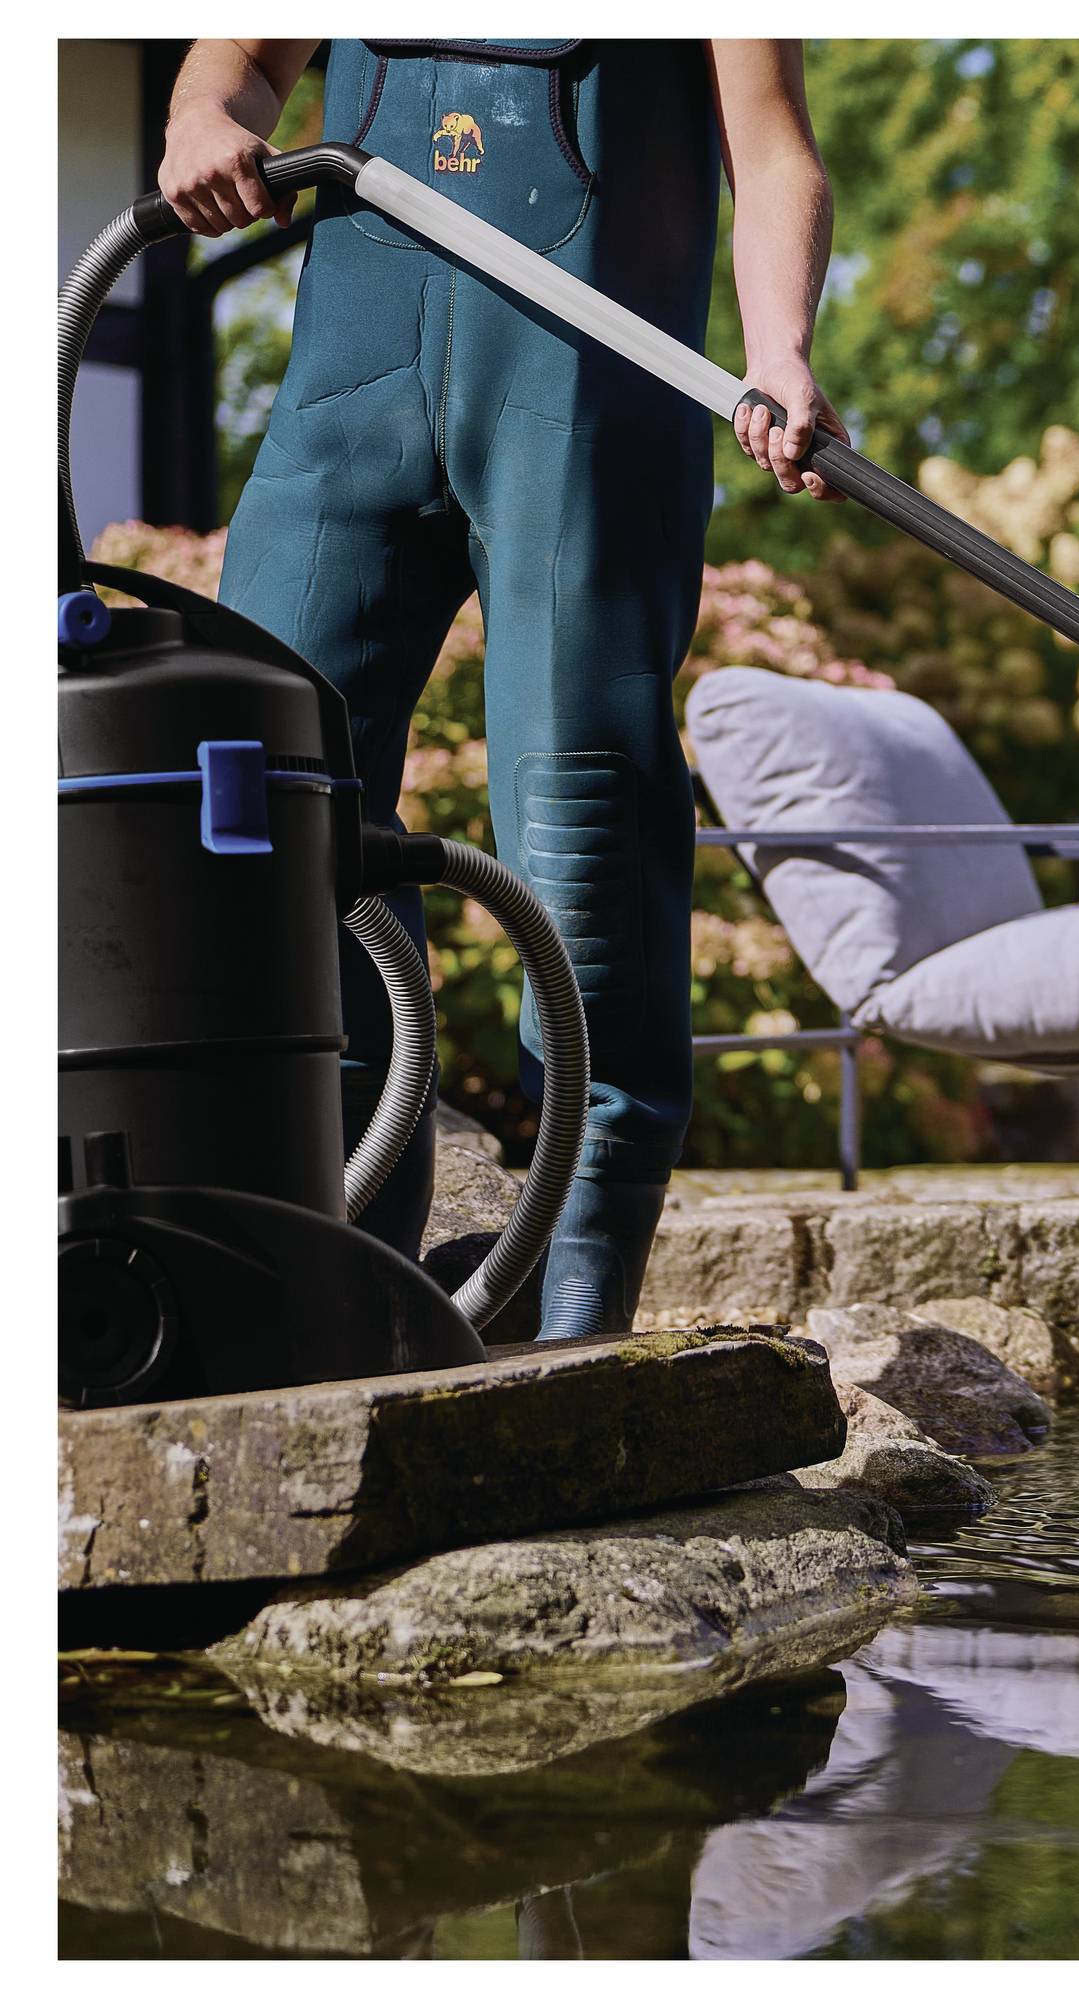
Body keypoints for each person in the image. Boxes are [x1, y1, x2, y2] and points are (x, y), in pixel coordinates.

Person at [159, 39, 846, 1337]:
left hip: (586, 420)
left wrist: (781, 350)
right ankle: (341, 1251)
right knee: (264, 789)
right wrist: (203, 120)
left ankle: (572, 1287)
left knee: (577, 818)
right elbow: (233, 68)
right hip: (346, 413)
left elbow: (771, 153)